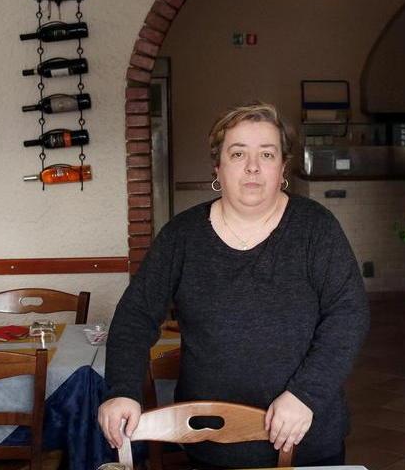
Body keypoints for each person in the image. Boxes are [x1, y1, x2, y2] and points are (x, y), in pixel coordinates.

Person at [98, 102, 369, 468]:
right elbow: (135, 316)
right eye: (238, 153)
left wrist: (305, 395)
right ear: (218, 166)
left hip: (305, 437)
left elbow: (348, 314)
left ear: (283, 167)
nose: (253, 167)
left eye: (267, 154)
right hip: (210, 442)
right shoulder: (182, 236)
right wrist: (123, 391)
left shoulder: (315, 228)